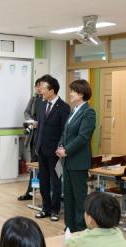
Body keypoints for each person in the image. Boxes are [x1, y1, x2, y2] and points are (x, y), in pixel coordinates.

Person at [56, 79, 96, 232]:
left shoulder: (89, 112)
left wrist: (66, 150)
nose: (70, 94)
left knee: (79, 198)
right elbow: (66, 133)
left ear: (81, 94)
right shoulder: (74, 110)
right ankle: (69, 226)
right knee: (68, 197)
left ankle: (80, 228)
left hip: (78, 162)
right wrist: (60, 146)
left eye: (73, 91)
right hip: (67, 161)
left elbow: (83, 137)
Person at [35, 75, 70, 221]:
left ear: (52, 90)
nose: (41, 91)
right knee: (43, 180)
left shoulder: (63, 107)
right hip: (42, 149)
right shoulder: (42, 104)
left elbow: (65, 131)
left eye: (43, 88)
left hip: (55, 151)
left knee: (55, 181)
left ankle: (55, 210)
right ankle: (45, 208)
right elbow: (41, 127)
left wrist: (61, 148)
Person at [18, 77, 44, 201]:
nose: (39, 88)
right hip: (34, 136)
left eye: (41, 85)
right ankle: (30, 191)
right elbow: (26, 112)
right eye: (37, 86)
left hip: (44, 138)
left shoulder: (49, 101)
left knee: (44, 167)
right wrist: (31, 120)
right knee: (34, 166)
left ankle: (44, 193)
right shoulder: (34, 99)